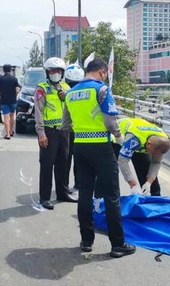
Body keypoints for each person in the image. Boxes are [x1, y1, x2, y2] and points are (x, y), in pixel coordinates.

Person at [62, 59, 136, 258]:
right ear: (102, 72)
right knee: (112, 195)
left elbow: (66, 124)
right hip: (101, 147)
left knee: (85, 193)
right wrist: (120, 138)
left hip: (80, 147)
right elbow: (110, 121)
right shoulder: (101, 90)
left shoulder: (70, 93)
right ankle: (117, 244)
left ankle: (86, 240)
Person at [34, 57, 77, 210]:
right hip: (49, 131)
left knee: (63, 164)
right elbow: (38, 111)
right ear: (47, 72)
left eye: (58, 71)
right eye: (53, 71)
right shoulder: (42, 88)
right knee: (47, 165)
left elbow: (73, 106)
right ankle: (44, 197)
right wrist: (41, 133)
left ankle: (62, 192)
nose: (56, 73)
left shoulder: (66, 87)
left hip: (64, 131)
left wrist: (66, 96)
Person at [113, 117, 170, 196]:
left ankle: (156, 203)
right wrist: (133, 184)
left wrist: (148, 183)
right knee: (111, 171)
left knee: (146, 172)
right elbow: (123, 161)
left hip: (143, 140)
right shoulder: (134, 138)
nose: (153, 156)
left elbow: (156, 162)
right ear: (149, 144)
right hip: (119, 138)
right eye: (153, 153)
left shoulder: (162, 142)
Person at [64, 63, 85, 192]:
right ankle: (72, 184)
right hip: (75, 131)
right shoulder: (87, 92)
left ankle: (71, 184)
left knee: (71, 159)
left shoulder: (66, 92)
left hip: (74, 130)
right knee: (72, 160)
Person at [0, 64, 20, 139]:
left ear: (3, 70)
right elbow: (17, 90)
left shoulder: (0, 79)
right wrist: (14, 96)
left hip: (4, 101)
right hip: (13, 101)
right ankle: (11, 131)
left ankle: (7, 134)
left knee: (6, 117)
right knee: (12, 116)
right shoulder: (14, 79)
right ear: (10, 70)